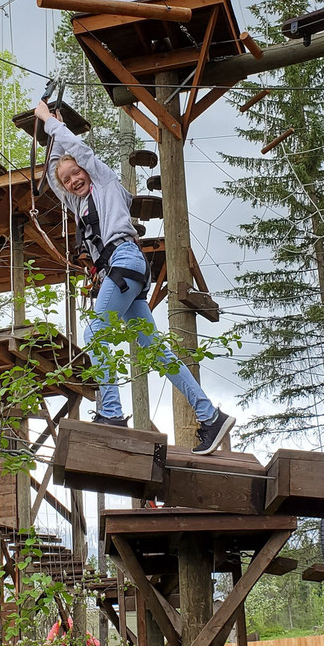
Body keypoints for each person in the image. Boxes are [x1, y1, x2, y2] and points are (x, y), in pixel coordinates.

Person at [35, 99, 236, 456]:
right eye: (68, 180)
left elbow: (79, 151)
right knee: (158, 352)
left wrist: (51, 122)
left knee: (95, 331)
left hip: (125, 260)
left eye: (76, 173)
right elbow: (54, 173)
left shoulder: (104, 181)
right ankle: (210, 416)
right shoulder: (77, 203)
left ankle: (111, 412)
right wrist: (54, 133)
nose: (73, 180)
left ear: (88, 170)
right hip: (121, 270)